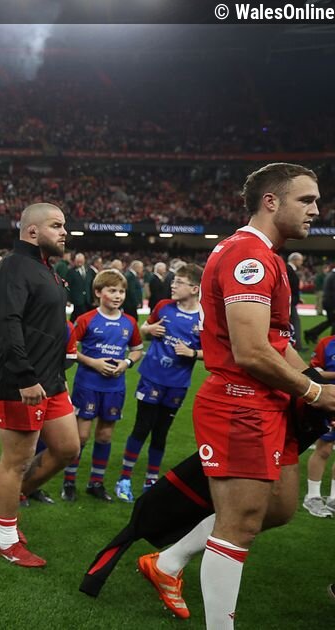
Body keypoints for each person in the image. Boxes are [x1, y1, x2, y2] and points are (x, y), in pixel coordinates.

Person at [135, 163, 335, 626]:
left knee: (278, 508)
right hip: (240, 401)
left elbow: (277, 341)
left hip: (268, 402)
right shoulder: (250, 257)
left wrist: (317, 382)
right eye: (306, 200)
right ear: (271, 201)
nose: (316, 210)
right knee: (239, 523)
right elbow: (250, 351)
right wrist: (313, 391)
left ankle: (167, 563)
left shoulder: (267, 255)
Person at [0, 203, 79, 568]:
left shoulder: (46, 269)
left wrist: (55, 374)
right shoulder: (14, 267)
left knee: (67, 448)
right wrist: (24, 377)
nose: (64, 232)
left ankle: (3, 504)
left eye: (64, 226)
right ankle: (7, 541)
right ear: (33, 231)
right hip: (20, 381)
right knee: (17, 460)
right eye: (57, 225)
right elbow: (7, 324)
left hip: (50, 380)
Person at [115, 264, 204, 502]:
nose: (173, 285)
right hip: (152, 377)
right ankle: (124, 479)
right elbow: (144, 329)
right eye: (173, 281)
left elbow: (214, 351)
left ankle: (151, 480)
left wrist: (192, 353)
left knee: (161, 432)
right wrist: (149, 329)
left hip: (177, 384)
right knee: (142, 426)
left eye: (179, 282)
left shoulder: (203, 317)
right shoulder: (164, 306)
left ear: (194, 289)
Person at [62, 270, 144, 503]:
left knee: (105, 435)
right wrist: (93, 363)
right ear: (98, 292)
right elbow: (70, 350)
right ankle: (69, 481)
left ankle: (95, 483)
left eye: (121, 291)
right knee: (81, 436)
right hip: (88, 385)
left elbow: (137, 350)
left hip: (114, 387)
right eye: (112, 290)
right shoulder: (86, 319)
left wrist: (127, 363)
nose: (118, 296)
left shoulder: (129, 322)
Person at [302, 335, 335, 517]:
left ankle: (333, 498)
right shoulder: (327, 343)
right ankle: (312, 496)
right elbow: (313, 372)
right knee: (324, 449)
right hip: (329, 403)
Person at [304, 264, 335, 343]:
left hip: (328, 302)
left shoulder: (330, 275)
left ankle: (311, 333)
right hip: (331, 303)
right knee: (332, 322)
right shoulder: (333, 276)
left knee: (330, 321)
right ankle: (331, 341)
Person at [65, 252, 93, 321]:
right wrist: (68, 299)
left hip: (88, 300)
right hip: (77, 300)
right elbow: (67, 286)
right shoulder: (71, 272)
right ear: (75, 261)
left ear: (84, 261)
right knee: (77, 318)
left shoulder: (89, 271)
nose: (80, 263)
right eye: (78, 261)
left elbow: (92, 285)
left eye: (81, 261)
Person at [287, 252, 304, 350]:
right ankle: (297, 345)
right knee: (295, 322)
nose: (301, 263)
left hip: (290, 300)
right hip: (289, 302)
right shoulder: (289, 269)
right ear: (295, 260)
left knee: (292, 322)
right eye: (300, 260)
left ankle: (294, 343)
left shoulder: (289, 269)